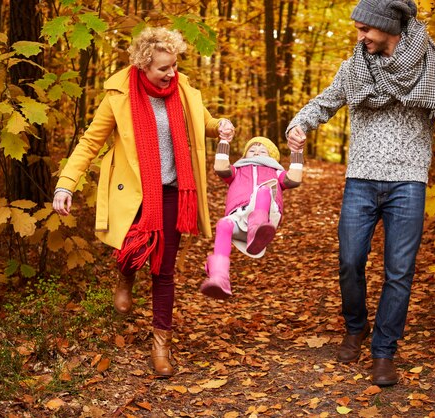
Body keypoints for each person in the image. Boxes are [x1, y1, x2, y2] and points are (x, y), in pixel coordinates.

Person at [286, 0, 435, 386]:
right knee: (350, 261)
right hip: (361, 179)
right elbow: (326, 101)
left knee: (399, 272)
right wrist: (300, 123)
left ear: (388, 27)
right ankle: (355, 327)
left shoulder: (432, 67)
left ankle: (383, 351)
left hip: (408, 182)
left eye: (364, 30)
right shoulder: (356, 66)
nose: (360, 37)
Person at [51, 27, 235, 378]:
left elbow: (203, 122)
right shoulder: (119, 94)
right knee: (132, 248)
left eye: (174, 65)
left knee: (164, 270)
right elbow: (90, 143)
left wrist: (220, 126)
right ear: (143, 65)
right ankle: (125, 276)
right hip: (134, 191)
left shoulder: (183, 89)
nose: (171, 73)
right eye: (163, 68)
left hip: (173, 190)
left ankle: (161, 344)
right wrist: (66, 184)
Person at [200, 137, 303, 299]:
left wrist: (297, 153)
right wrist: (224, 142)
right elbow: (221, 168)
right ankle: (219, 277)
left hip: (268, 213)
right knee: (223, 224)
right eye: (252, 150)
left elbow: (294, 179)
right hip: (240, 216)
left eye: (263, 151)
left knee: (263, 191)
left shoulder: (275, 171)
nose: (257, 152)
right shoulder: (238, 170)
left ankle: (258, 230)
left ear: (272, 157)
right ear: (245, 154)